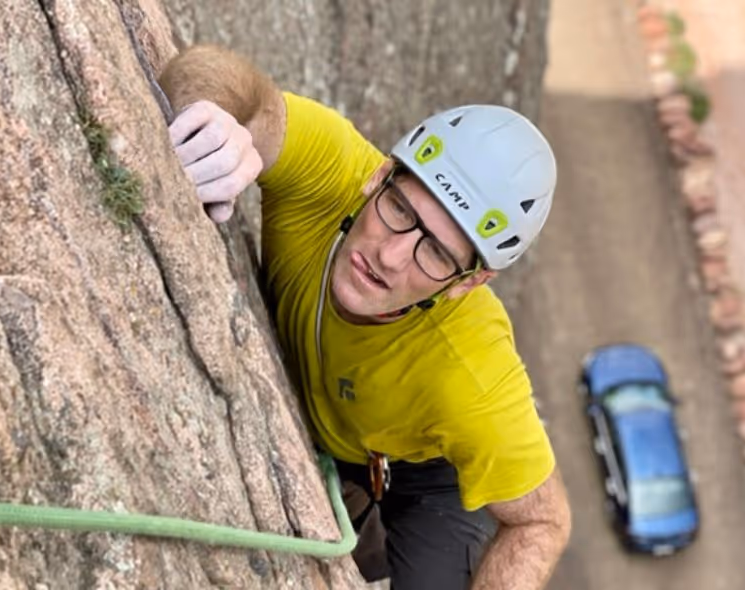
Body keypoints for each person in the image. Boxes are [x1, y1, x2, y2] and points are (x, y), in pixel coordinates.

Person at [158, 44, 571, 590]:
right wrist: (212, 122)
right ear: (379, 176)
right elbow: (232, 83)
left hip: (428, 472)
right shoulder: (333, 173)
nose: (390, 256)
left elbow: (543, 521)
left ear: (468, 282)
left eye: (438, 254)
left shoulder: (471, 377)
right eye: (401, 210)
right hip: (351, 440)